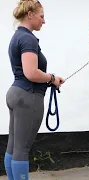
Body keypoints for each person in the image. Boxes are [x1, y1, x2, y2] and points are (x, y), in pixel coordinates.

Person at [4, 0, 64, 179]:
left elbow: (27, 71)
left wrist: (49, 78)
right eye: (41, 16)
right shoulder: (28, 38)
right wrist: (52, 78)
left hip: (15, 93)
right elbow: (31, 73)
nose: (43, 21)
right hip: (28, 97)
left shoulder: (17, 36)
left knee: (13, 146)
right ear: (30, 15)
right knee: (22, 149)